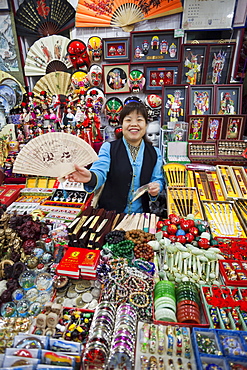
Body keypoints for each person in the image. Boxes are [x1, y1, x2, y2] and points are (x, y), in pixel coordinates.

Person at [66, 102, 164, 214]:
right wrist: (90, 177)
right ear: (121, 124)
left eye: (139, 120)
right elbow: (100, 170)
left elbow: (158, 179)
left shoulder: (155, 153)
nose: (134, 124)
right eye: (128, 120)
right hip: (110, 215)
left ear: (146, 125)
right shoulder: (108, 148)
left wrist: (157, 187)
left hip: (140, 216)